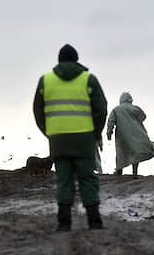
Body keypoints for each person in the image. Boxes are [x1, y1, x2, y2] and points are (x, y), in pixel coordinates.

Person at [33, 44, 108, 231]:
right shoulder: (89, 80)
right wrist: (95, 133)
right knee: (87, 179)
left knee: (64, 180)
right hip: (84, 140)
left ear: (59, 61)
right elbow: (101, 109)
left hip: (59, 140)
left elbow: (38, 111)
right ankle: (94, 221)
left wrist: (49, 133)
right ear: (77, 59)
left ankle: (64, 223)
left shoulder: (45, 81)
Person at [106, 92, 154, 176]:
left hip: (121, 136)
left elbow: (111, 121)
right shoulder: (135, 108)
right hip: (137, 134)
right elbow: (143, 117)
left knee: (121, 153)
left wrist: (109, 133)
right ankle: (134, 172)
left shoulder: (116, 109)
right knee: (135, 153)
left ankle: (119, 171)